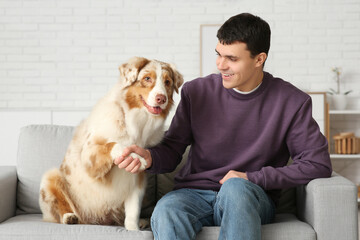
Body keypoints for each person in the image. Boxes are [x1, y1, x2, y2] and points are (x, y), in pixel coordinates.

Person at [114, 13, 332, 240]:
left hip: (250, 196)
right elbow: (172, 149)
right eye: (218, 55)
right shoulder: (196, 92)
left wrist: (253, 178)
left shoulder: (291, 102)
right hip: (193, 195)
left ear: (259, 59)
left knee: (235, 189)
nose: (221, 65)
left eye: (232, 59)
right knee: (167, 211)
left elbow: (317, 164)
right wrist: (150, 157)